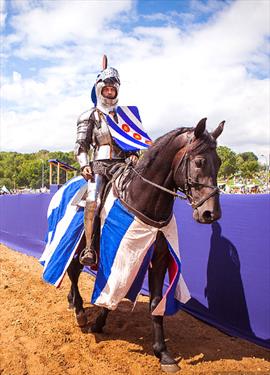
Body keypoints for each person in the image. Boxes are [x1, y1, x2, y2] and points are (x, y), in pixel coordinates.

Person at [74, 62, 139, 267]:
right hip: (100, 165)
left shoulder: (125, 116)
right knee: (93, 200)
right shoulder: (89, 115)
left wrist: (135, 154)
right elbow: (80, 146)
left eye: (113, 89)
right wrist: (84, 164)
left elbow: (134, 142)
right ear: (100, 90)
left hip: (123, 166)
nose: (110, 92)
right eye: (106, 89)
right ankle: (89, 248)